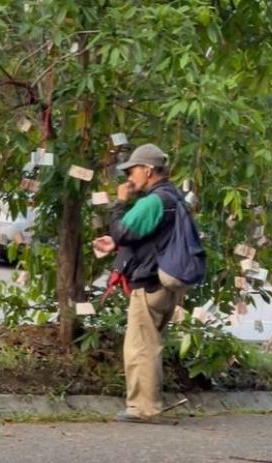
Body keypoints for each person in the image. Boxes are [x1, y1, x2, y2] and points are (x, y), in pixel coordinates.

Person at [92, 143, 183, 423]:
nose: (130, 177)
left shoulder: (152, 201)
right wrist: (117, 244)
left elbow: (122, 230)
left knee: (139, 347)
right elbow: (144, 237)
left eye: (132, 170)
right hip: (168, 284)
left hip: (150, 284)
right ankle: (148, 404)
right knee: (150, 345)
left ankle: (144, 408)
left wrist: (120, 202)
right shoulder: (175, 198)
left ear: (148, 170)